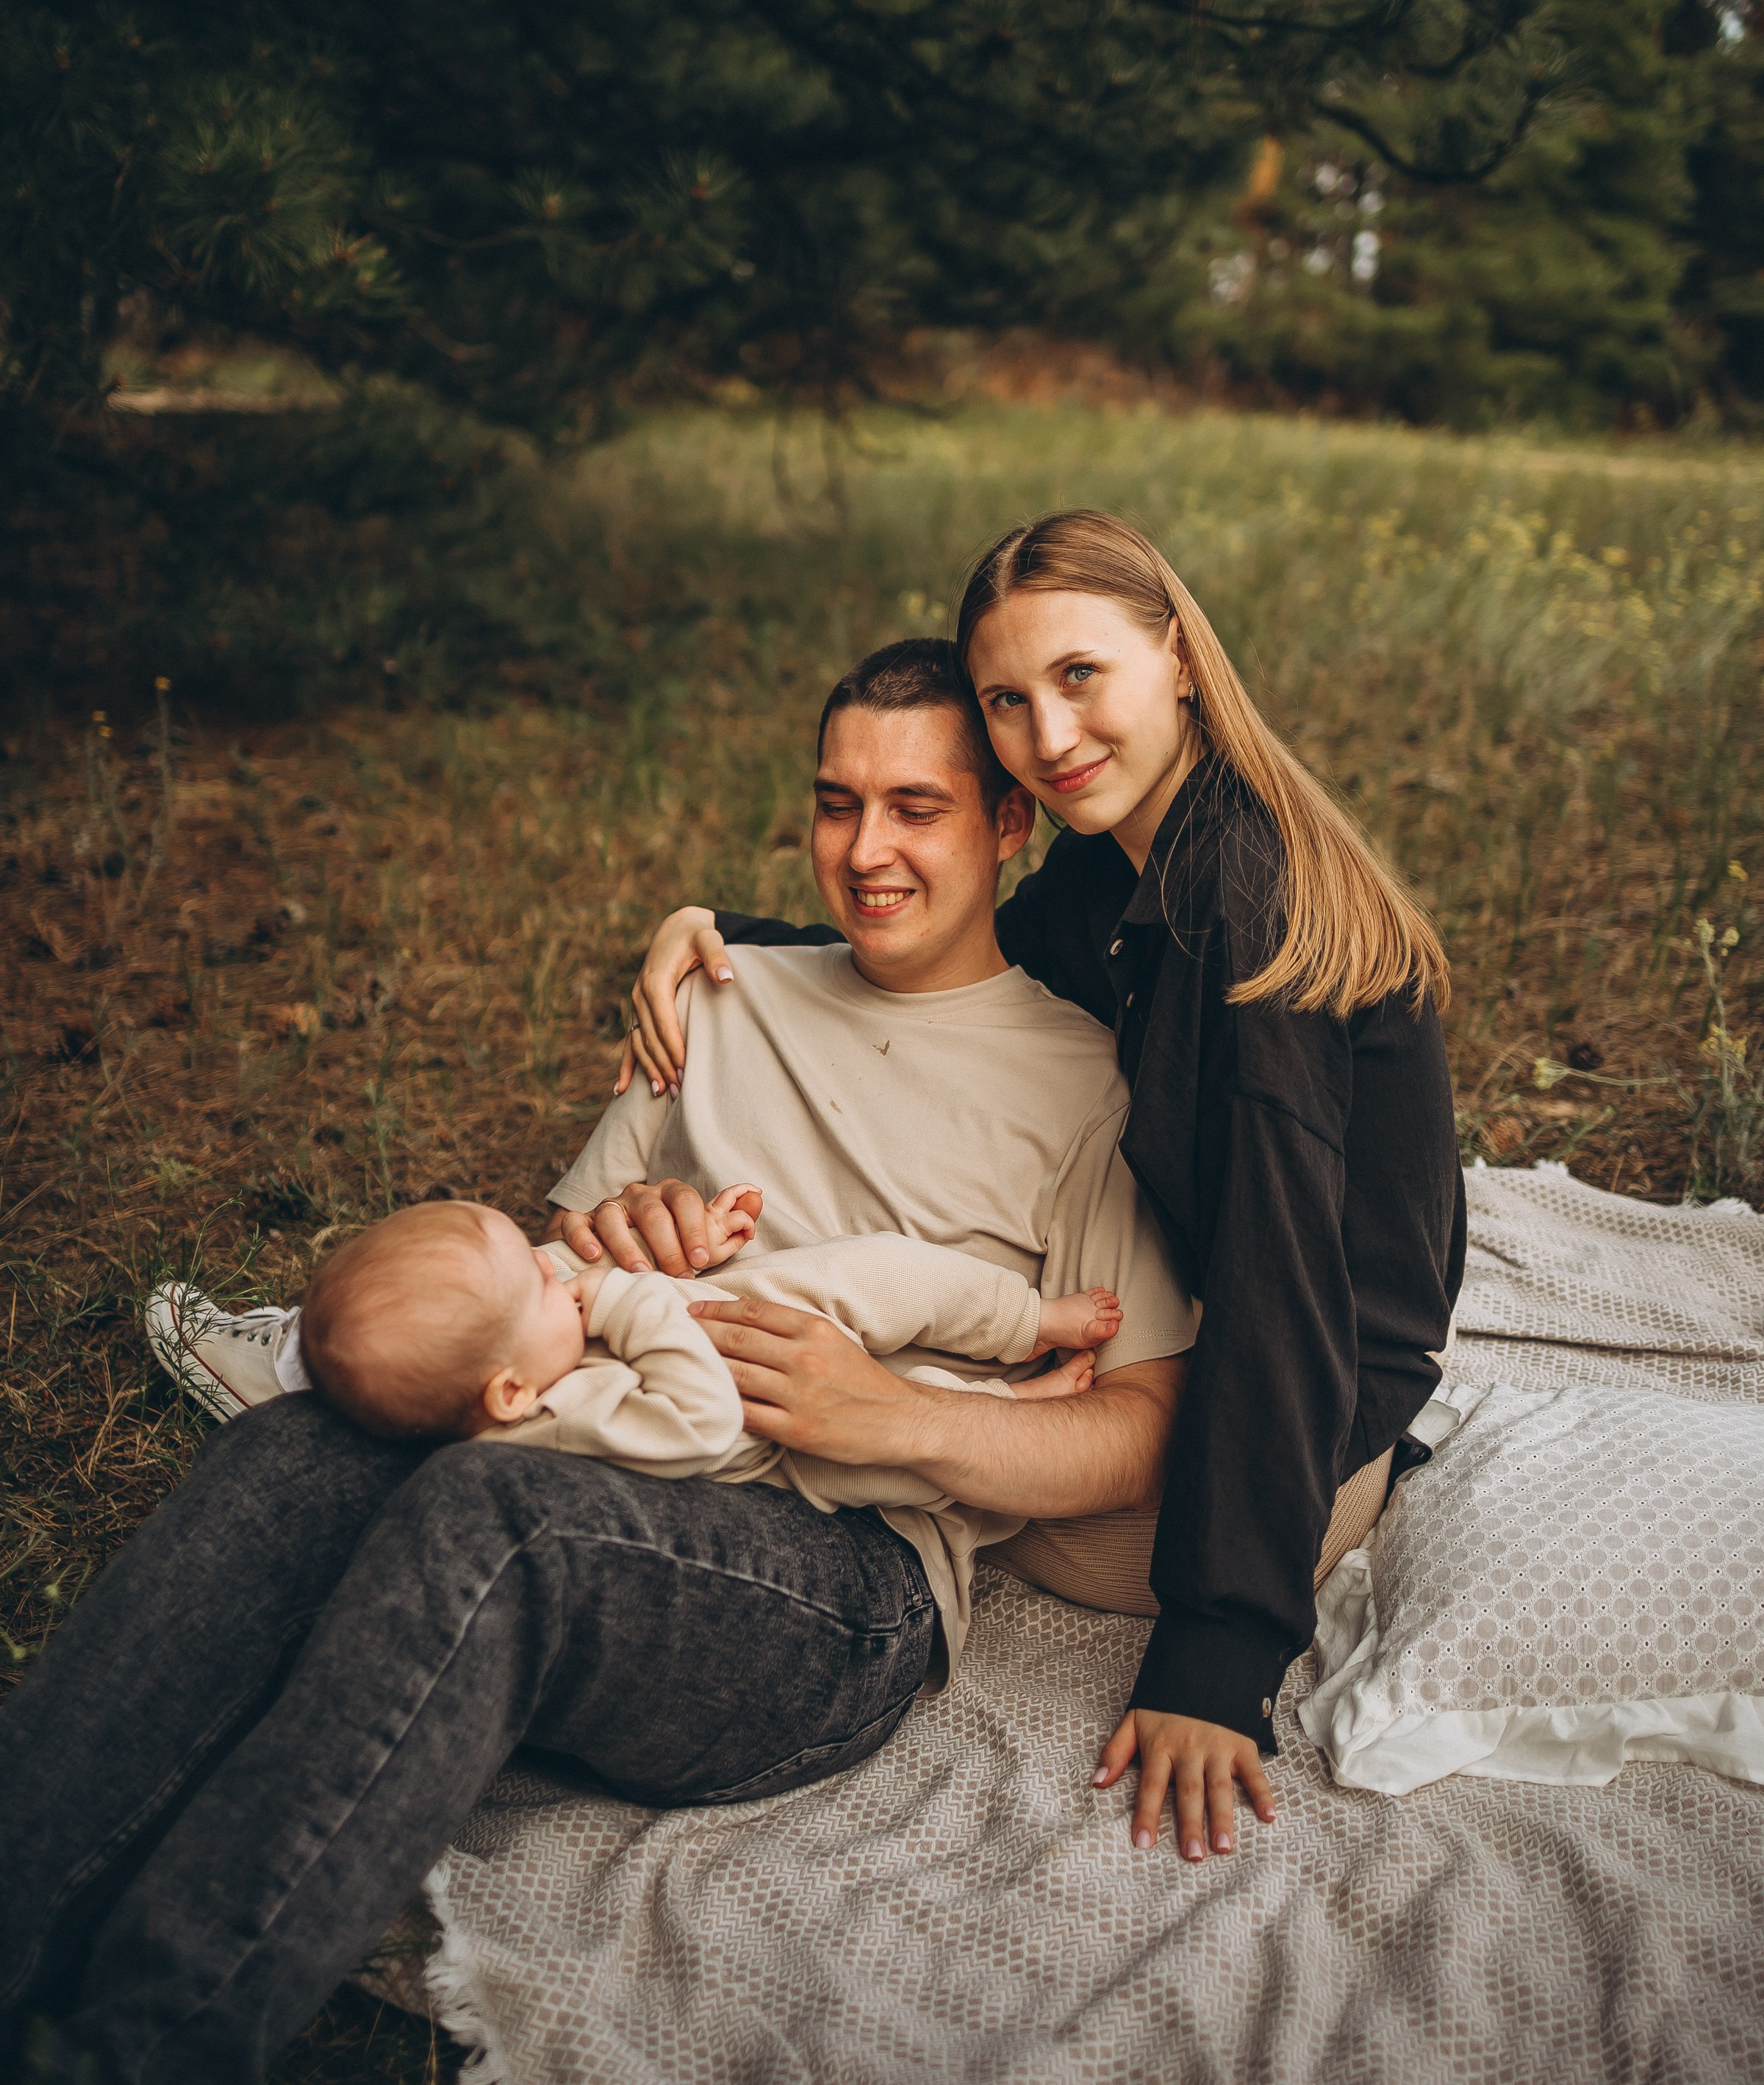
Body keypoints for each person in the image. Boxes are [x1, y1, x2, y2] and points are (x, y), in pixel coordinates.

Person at [0, 635, 1192, 2085]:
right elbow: (551, 1260)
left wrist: (894, 1415)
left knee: (488, 1526)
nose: (864, 850)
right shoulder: (726, 994)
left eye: (917, 809)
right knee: (292, 1449)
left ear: (1009, 824)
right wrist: (623, 1228)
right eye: (835, 803)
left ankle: (143, 2051)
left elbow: (1140, 1426)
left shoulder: (1085, 1079)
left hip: (839, 1576)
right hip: (603, 1415)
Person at [619, 510, 1465, 1865]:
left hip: (1278, 1455)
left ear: (1178, 656)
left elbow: (1284, 1297)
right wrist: (731, 941)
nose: (1048, 736)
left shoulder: (1242, 916)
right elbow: (961, 971)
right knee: (862, 1241)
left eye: (1081, 678)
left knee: (815, 1390)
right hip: (1178, 1329)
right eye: (1007, 702)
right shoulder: (1114, 864)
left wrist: (1214, 1657)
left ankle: (537, 1387)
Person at [287, 1195, 1125, 1474]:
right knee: (908, 1453)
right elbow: (704, 1417)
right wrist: (624, 1298)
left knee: (880, 1270)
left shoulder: (509, 1345)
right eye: (539, 1282)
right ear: (509, 1396)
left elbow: (539, 1273)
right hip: (777, 1438)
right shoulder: (566, 1423)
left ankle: (1023, 1322)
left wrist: (683, 1259)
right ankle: (1020, 1396)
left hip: (727, 1316)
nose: (555, 1270)